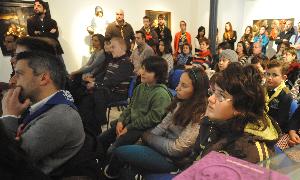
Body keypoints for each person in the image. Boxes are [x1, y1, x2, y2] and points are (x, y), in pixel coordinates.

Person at [104, 67, 209, 179]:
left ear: (197, 91)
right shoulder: (180, 102)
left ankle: (108, 175)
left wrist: (147, 138)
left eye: (184, 86)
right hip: (161, 147)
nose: (177, 88)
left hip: (173, 160)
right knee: (128, 163)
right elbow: (162, 126)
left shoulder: (200, 113)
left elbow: (177, 149)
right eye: (179, 83)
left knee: (119, 152)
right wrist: (144, 141)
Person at [1, 51, 85, 174]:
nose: (12, 81)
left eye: (19, 74)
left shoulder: (60, 117)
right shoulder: (41, 107)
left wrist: (9, 116)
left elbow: (9, 161)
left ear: (43, 78)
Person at [190, 63, 279, 165]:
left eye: (221, 95)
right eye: (213, 92)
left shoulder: (250, 152)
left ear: (240, 108)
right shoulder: (212, 122)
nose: (210, 99)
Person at [98, 56, 172, 157]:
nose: (142, 72)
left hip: (141, 129)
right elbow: (130, 107)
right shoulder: (141, 87)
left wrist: (129, 127)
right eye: (142, 68)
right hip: (131, 123)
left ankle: (111, 170)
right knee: (101, 139)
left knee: (114, 150)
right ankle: (99, 164)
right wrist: (121, 120)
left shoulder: (161, 94)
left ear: (158, 75)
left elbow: (152, 119)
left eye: (148, 71)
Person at [77, 37, 134, 135]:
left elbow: (113, 81)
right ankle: (87, 126)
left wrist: (95, 84)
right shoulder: (113, 60)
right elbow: (104, 77)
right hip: (107, 90)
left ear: (121, 48)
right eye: (110, 47)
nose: (111, 49)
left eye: (113, 47)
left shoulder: (126, 63)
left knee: (95, 94)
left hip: (117, 93)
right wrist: (93, 80)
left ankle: (99, 124)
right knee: (83, 90)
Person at [265, 60, 293, 133]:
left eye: (274, 75)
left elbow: (281, 121)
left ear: (283, 78)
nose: (269, 78)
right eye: (268, 74)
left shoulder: (286, 95)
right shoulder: (263, 89)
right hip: (262, 123)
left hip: (276, 129)